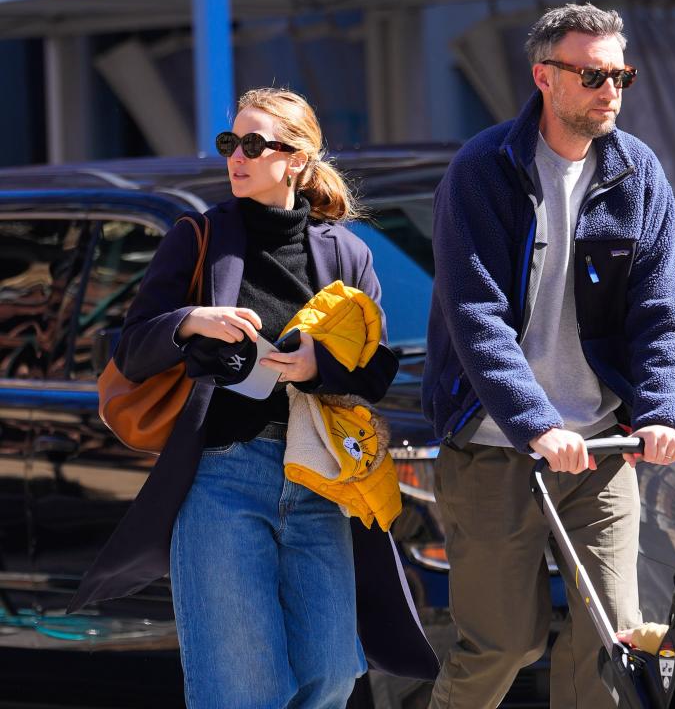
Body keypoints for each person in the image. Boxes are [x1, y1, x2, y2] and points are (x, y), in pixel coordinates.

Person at [68, 88, 437, 707]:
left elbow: (377, 370)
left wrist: (318, 364)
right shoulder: (198, 237)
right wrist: (191, 322)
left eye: (254, 144)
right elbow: (130, 349)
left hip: (320, 479)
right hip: (223, 478)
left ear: (297, 158)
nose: (236, 156)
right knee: (240, 684)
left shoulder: (346, 252)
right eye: (229, 143)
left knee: (328, 675)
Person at [421, 2, 675, 709]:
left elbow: (663, 311)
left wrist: (663, 410)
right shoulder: (484, 170)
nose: (612, 91)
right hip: (494, 446)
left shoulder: (638, 173)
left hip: (602, 447)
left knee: (614, 638)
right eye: (594, 75)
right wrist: (536, 423)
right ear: (544, 76)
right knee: (505, 643)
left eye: (621, 75)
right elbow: (475, 315)